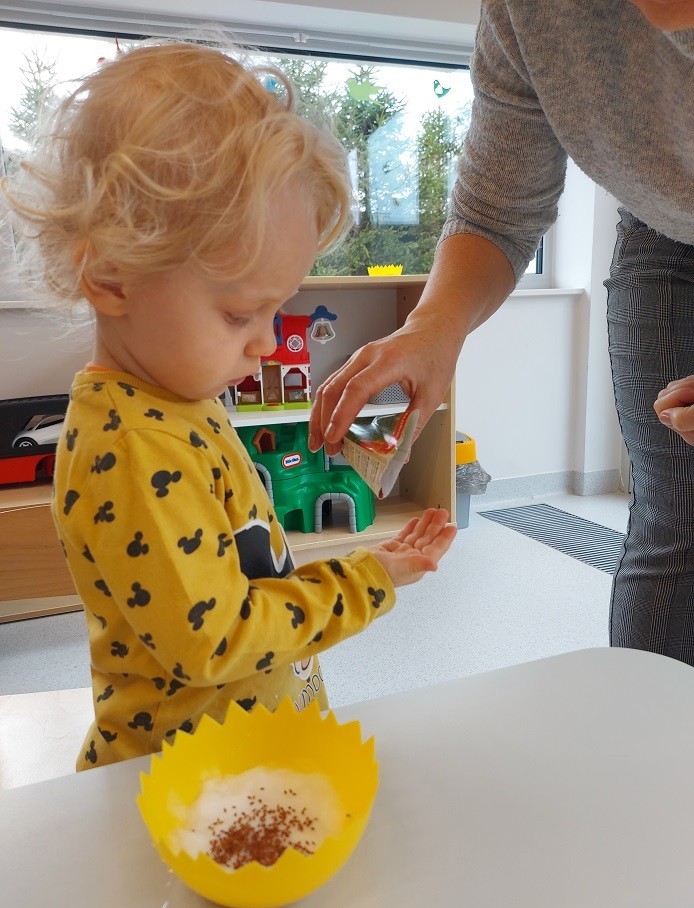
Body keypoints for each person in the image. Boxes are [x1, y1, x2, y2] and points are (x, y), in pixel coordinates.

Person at [1, 39, 456, 770]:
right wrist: (366, 582)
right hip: (183, 780)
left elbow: (246, 572)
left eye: (276, 309)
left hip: (244, 760)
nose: (269, 345)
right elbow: (218, 639)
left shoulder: (178, 399)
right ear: (111, 277)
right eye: (241, 313)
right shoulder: (134, 447)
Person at [309, 0, 694, 665]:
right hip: (664, 228)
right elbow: (496, 208)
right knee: (673, 518)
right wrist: (434, 325)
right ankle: (651, 721)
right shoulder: (531, 11)